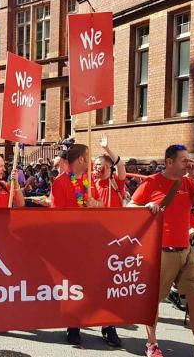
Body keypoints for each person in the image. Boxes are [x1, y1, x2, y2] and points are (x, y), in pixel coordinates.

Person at [129, 144, 194, 357]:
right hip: (160, 252)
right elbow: (129, 208)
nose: (188, 164)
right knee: (153, 303)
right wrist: (145, 208)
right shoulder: (151, 182)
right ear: (169, 162)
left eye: (190, 160)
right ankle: (152, 345)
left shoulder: (190, 182)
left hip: (186, 251)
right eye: (184, 160)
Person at [49, 143, 121, 347]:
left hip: (95, 241)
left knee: (103, 285)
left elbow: (102, 206)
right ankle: (74, 325)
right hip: (73, 244)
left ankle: (108, 326)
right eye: (87, 156)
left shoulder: (91, 181)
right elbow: (55, 217)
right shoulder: (61, 182)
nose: (90, 160)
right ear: (80, 159)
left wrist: (95, 204)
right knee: (77, 287)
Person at [92, 135, 127, 208]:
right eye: (94, 164)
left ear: (108, 167)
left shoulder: (117, 181)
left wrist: (107, 149)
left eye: (98, 164)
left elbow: (120, 165)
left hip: (114, 218)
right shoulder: (94, 183)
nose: (94, 167)